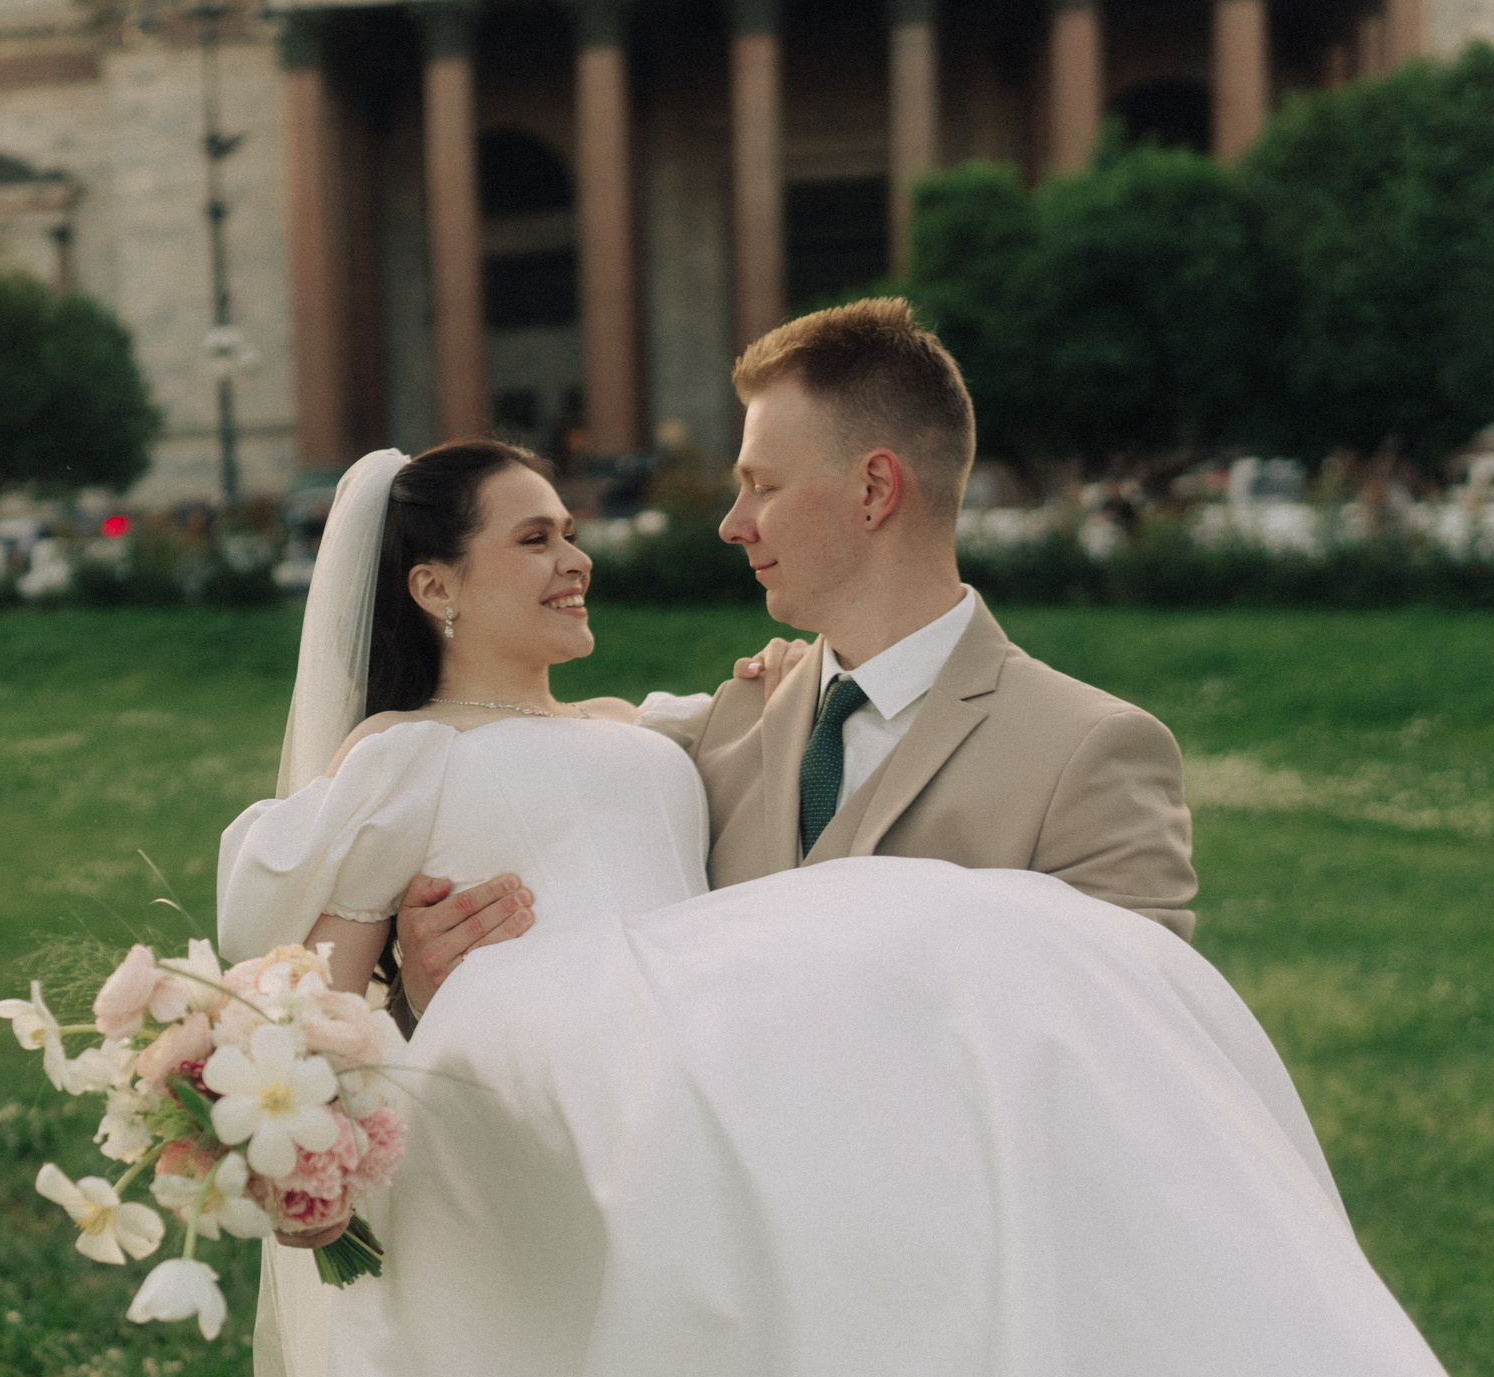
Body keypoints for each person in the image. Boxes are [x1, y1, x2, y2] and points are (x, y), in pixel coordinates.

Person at [217, 438, 1494, 1377]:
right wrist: (326, 1126)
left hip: (697, 1069)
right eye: (532, 535)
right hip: (546, 1072)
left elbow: (752, 744)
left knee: (951, 947)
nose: (576, 551)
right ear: (433, 591)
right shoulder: (398, 758)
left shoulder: (643, 727)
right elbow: (316, 985)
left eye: (570, 525)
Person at [389, 299, 1195, 1021]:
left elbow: (1135, 1062)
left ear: (875, 489)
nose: (732, 524)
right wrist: (436, 979)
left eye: (762, 487)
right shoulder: (712, 738)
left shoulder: (1090, 754)